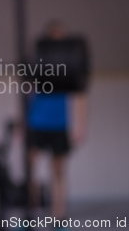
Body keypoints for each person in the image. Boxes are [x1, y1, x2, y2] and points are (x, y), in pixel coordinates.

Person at [26, 22, 88, 231]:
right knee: (30, 169)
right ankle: (30, 215)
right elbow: (27, 93)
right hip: (37, 121)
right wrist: (22, 123)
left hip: (60, 123)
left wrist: (80, 125)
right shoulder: (39, 61)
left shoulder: (71, 63)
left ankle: (58, 218)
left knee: (59, 172)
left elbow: (79, 95)